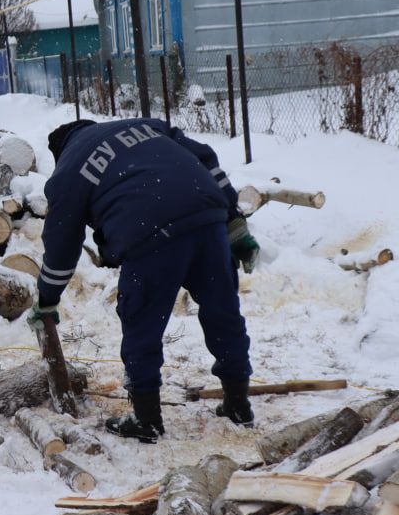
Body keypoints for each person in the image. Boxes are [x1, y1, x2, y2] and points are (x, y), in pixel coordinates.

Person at [26, 118, 258, 443]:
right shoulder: (144, 126)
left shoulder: (68, 170)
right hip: (206, 215)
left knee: (142, 324)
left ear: (59, 150)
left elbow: (62, 245)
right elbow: (205, 157)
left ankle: (146, 419)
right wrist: (233, 219)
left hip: (150, 232)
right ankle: (238, 404)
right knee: (223, 311)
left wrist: (47, 298)